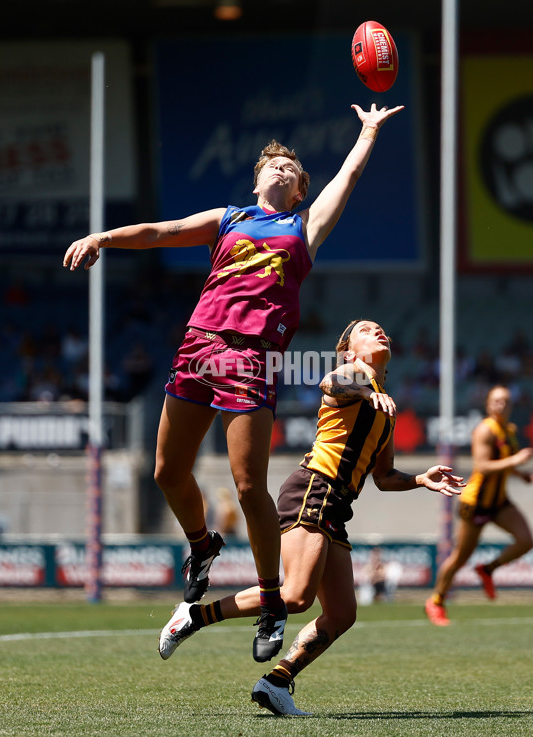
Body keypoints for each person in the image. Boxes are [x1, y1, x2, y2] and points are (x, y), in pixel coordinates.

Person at [63, 103, 404, 656]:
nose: (281, 169)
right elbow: (158, 231)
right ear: (257, 179)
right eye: (273, 164)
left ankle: (271, 604)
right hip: (200, 348)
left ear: (299, 191)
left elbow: (350, 177)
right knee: (168, 472)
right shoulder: (228, 218)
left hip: (252, 358)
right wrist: (102, 237)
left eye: (291, 169)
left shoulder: (303, 227)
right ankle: (202, 547)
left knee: (249, 486)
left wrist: (366, 132)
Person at [158, 319, 464, 715]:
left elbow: (384, 477)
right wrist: (369, 389)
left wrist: (421, 478)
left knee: (341, 614)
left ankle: (276, 683)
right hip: (313, 490)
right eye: (367, 330)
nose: (379, 331)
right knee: (297, 596)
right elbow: (331, 384)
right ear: (349, 350)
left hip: (336, 506)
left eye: (381, 328)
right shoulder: (355, 378)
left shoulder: (384, 404)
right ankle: (193, 616)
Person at [425, 385, 533, 627]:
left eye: (505, 401)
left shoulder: (510, 430)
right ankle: (436, 601)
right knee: (460, 557)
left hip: (499, 502)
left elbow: (503, 461)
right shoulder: (484, 430)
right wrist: (516, 461)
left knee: (526, 540)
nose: (501, 405)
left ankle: (487, 569)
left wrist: (520, 474)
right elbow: (483, 466)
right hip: (475, 503)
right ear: (488, 404)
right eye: (497, 401)